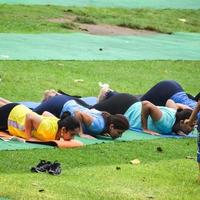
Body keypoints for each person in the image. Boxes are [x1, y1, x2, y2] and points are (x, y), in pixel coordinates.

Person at [91, 93, 194, 136]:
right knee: (88, 110)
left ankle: (108, 93)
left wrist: (181, 106)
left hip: (129, 102)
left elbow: (170, 102)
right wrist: (145, 128)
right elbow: (146, 104)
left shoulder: (175, 114)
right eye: (191, 125)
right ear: (181, 122)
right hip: (124, 106)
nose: (192, 129)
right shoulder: (165, 122)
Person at [0, 102, 80, 141]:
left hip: (18, 110)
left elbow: (46, 113)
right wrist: (28, 137)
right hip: (11, 115)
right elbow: (29, 116)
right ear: (63, 130)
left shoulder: (59, 123)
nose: (72, 138)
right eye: (72, 134)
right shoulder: (47, 128)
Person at [61, 100, 129, 139]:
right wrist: (81, 133)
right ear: (111, 126)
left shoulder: (104, 123)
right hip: (63, 106)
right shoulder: (98, 126)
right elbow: (78, 114)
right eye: (119, 132)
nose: (120, 136)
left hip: (70, 103)